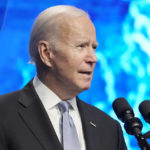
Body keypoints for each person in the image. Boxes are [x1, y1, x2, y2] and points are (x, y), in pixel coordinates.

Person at [0, 5, 127, 150]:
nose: (93, 58)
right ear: (46, 53)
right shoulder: (3, 115)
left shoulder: (109, 128)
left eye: (94, 47)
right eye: (81, 46)